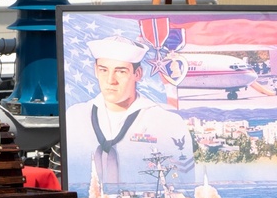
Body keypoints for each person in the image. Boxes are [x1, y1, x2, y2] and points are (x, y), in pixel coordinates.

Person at [65, 35, 194, 189]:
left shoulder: (167, 122)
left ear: (137, 74)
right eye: (103, 70)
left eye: (121, 71)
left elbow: (186, 185)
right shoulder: (74, 117)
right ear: (95, 71)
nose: (111, 80)